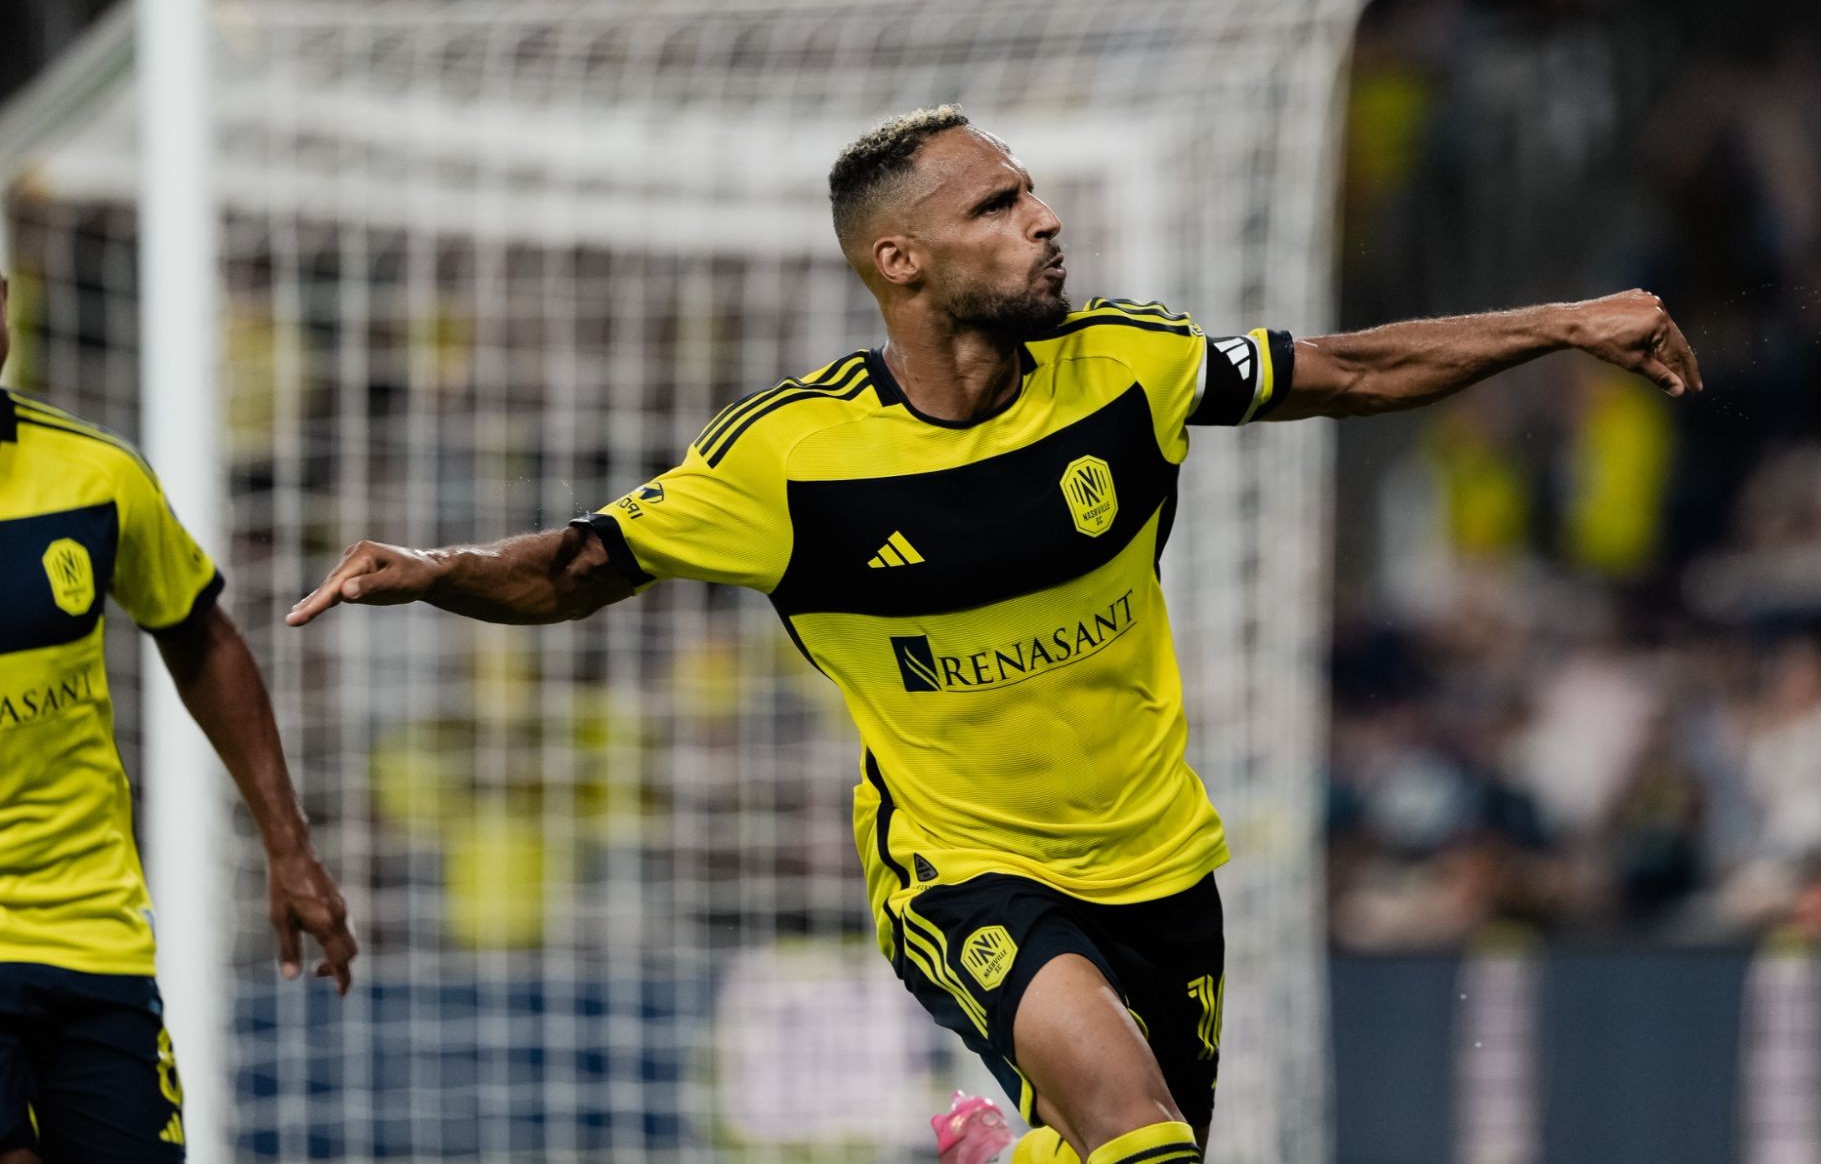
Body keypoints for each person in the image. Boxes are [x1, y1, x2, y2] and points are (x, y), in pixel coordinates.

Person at [287, 105, 1701, 1164]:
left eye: (1032, 191)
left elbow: (1349, 369)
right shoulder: (791, 459)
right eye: (999, 203)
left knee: (1124, 1146)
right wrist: (438, 571)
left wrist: (1562, 320)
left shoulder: (1127, 365)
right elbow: (580, 567)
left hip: (1160, 864)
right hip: (965, 868)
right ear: (900, 260)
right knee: (1137, 1135)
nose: (1045, 218)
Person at [0, 276, 356, 1163]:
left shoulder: (96, 476)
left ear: (4, 307)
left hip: (93, 932)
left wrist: (287, 843)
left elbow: (202, 635)